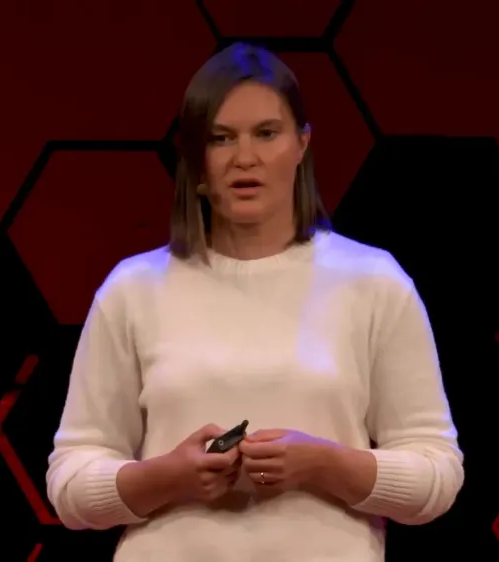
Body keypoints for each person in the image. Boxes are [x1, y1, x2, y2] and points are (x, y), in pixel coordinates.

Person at [45, 42, 464, 561]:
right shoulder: (133, 289)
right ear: (196, 156)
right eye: (221, 138)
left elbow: (436, 475)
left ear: (302, 143)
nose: (245, 158)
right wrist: (168, 477)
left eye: (266, 133)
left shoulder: (373, 282)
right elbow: (71, 483)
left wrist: (323, 464)